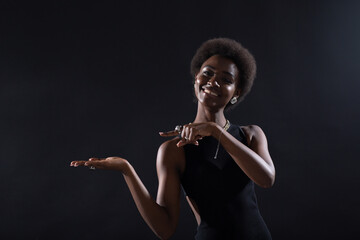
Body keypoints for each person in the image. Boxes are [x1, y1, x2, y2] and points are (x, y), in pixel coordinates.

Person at [70, 38, 275, 240]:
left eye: (226, 79)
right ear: (196, 79)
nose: (213, 81)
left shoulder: (251, 134)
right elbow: (165, 229)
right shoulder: (175, 150)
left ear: (236, 93)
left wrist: (215, 131)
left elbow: (266, 179)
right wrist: (127, 170)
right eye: (208, 74)